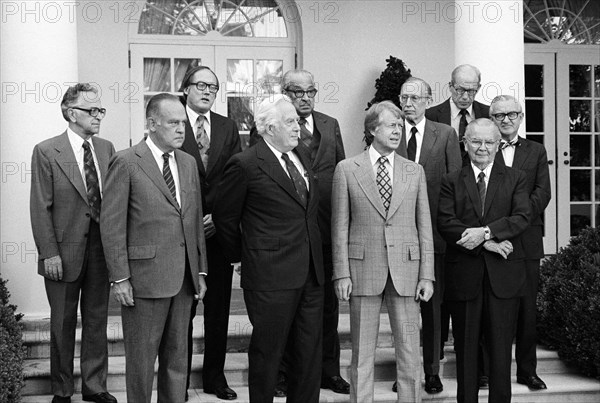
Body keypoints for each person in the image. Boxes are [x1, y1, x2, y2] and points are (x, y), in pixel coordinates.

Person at [213, 94, 325, 403]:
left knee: (308, 355)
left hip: (311, 274)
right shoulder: (246, 164)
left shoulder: (302, 154)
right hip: (270, 277)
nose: (298, 128)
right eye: (290, 122)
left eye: (297, 121)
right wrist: (244, 256)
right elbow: (225, 218)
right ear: (268, 127)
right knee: (268, 355)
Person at [100, 93, 208, 403]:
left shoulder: (187, 163)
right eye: (173, 122)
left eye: (183, 123)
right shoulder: (126, 161)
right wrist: (119, 277)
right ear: (151, 123)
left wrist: (199, 270)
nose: (181, 129)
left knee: (177, 360)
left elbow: (194, 220)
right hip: (144, 280)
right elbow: (111, 225)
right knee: (142, 362)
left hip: (184, 281)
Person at [250, 69, 348, 396]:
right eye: (297, 92)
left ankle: (329, 370)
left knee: (325, 309)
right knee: (284, 318)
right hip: (285, 242)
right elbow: (256, 187)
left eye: (311, 92)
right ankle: (281, 374)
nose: (305, 98)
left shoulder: (329, 125)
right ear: (286, 94)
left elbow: (341, 171)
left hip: (324, 228)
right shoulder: (267, 131)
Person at [332, 101, 435, 403]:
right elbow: (339, 227)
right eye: (392, 125)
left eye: (400, 127)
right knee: (362, 355)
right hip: (362, 271)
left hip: (407, 272)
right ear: (373, 129)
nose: (398, 131)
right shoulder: (347, 169)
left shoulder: (414, 171)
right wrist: (341, 273)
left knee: (409, 354)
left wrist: (426, 275)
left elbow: (424, 227)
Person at [30, 83, 117, 403]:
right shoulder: (46, 150)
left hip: (101, 250)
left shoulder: (106, 148)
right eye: (91, 111)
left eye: (100, 110)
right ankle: (62, 390)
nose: (98, 117)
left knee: (97, 321)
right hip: (62, 253)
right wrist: (49, 252)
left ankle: (95, 386)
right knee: (62, 325)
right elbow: (40, 206)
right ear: (70, 113)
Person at [437, 118, 530, 403]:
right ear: (465, 144)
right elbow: (446, 222)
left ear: (498, 145)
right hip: (465, 278)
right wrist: (487, 242)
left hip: (504, 278)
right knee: (466, 352)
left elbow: (522, 217)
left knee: (501, 352)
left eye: (490, 142)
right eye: (476, 141)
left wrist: (486, 231)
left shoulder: (516, 178)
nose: (483, 148)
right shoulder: (451, 180)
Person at [178, 64, 242, 401]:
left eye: (213, 87)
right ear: (186, 88)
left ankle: (214, 379)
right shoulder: (173, 121)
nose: (207, 91)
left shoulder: (227, 126)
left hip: (217, 234)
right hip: (181, 235)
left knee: (218, 311)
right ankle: (181, 380)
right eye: (200, 85)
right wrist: (190, 219)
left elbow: (235, 176)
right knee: (183, 312)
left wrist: (217, 216)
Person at [395, 77, 462, 394]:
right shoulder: (389, 133)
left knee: (433, 310)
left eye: (414, 98)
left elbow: (457, 187)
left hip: (435, 237)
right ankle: (404, 371)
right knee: (401, 310)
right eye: (403, 98)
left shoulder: (445, 134)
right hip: (396, 239)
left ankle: (432, 372)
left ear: (427, 100)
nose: (408, 103)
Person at [490, 95, 551, 391]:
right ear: (492, 119)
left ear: (521, 116)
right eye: (499, 115)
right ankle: (489, 370)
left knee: (527, 309)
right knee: (493, 308)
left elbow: (543, 193)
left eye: (511, 114)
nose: (505, 120)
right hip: (494, 239)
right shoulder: (483, 149)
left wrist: (518, 219)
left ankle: (527, 370)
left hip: (527, 240)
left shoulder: (536, 151)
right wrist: (501, 227)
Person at [426, 64, 490, 163]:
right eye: (460, 90)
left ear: (479, 87)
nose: (465, 97)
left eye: (471, 91)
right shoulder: (431, 116)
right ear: (450, 86)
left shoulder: (488, 115)